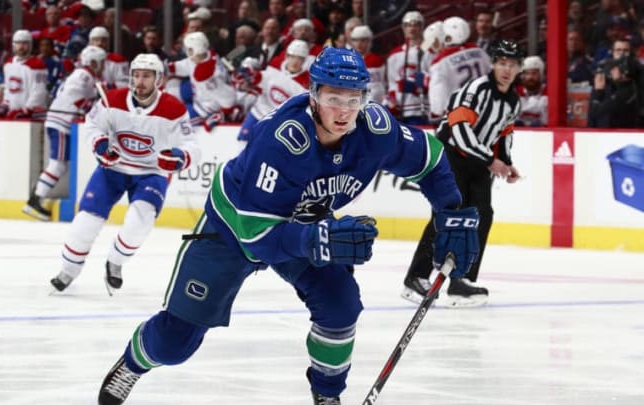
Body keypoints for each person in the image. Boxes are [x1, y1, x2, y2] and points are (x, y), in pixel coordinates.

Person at [97, 46, 479, 405]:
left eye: (353, 99)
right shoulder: (282, 140)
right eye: (333, 98)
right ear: (313, 95)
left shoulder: (376, 130)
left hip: (306, 222)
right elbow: (256, 236)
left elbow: (430, 160)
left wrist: (450, 212)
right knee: (175, 343)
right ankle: (133, 362)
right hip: (235, 226)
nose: (344, 111)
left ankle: (327, 394)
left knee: (341, 306)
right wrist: (317, 240)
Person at [49, 53, 200, 294]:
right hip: (114, 169)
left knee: (140, 221)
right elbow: (92, 124)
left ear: (158, 79)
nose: (140, 82)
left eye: (146, 77)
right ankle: (69, 270)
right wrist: (100, 144)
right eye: (137, 75)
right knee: (86, 222)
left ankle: (116, 262)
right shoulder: (112, 100)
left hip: (152, 172)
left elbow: (192, 144)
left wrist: (180, 157)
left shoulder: (173, 108)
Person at [401, 40, 522, 308]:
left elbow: (504, 133)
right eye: (502, 62)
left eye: (512, 64)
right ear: (493, 64)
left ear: (518, 69)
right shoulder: (475, 89)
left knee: (481, 216)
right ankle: (416, 277)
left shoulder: (513, 101)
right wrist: (492, 160)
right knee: (448, 216)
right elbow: (459, 130)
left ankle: (462, 281)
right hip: (451, 156)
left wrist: (506, 162)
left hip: (479, 162)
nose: (506, 69)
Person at [22, 45, 107, 221]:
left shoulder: (84, 74)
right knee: (58, 164)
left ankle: (37, 196)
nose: (102, 65)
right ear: (92, 62)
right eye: (100, 62)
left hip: (61, 121)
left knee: (59, 164)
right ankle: (35, 200)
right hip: (62, 122)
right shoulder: (83, 75)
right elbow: (74, 97)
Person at [234, 39, 310, 145]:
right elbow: (259, 84)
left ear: (305, 60)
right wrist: (248, 82)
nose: (296, 61)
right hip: (257, 114)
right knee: (242, 147)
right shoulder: (274, 65)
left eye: (300, 58)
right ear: (287, 55)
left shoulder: (306, 82)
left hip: (278, 124)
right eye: (293, 56)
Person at [427, 16, 491, 123]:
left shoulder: (440, 62)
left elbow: (438, 95)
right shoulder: (480, 52)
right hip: (486, 109)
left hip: (460, 114)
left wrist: (436, 113)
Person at [1, 29, 48, 119]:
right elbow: (8, 88)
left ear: (30, 45)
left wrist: (27, 110)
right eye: (18, 43)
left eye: (24, 43)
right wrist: (5, 104)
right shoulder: (8, 64)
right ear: (13, 44)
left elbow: (39, 92)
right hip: (13, 113)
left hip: (33, 116)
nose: (21, 46)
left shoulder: (37, 65)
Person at [515, 55, 548, 127]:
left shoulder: (548, 92)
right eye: (527, 73)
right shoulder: (516, 92)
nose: (530, 77)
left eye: (534, 73)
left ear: (541, 74)